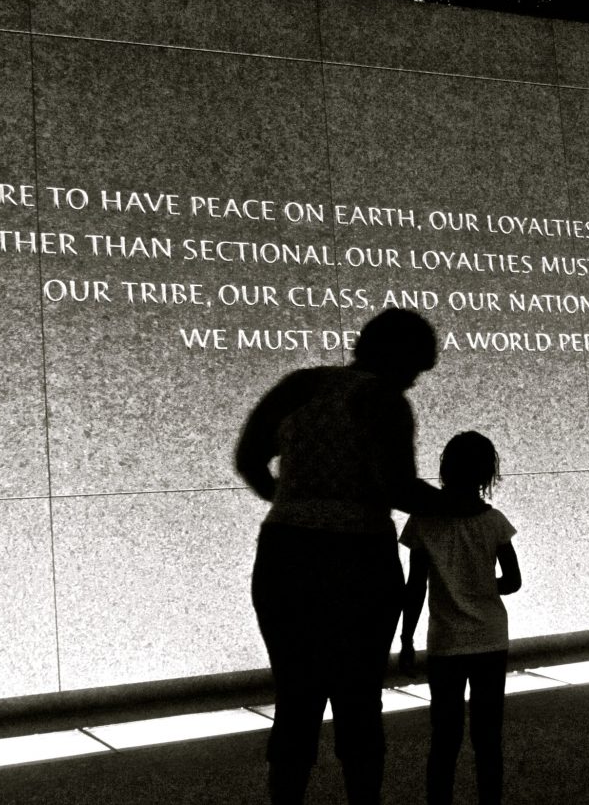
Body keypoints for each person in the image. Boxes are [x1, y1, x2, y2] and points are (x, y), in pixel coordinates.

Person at [234, 308, 443, 805]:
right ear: (399, 357)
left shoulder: (300, 385)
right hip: (358, 559)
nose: (414, 381)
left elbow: (248, 459)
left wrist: (292, 500)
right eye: (415, 368)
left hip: (285, 553)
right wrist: (458, 504)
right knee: (358, 702)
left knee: (296, 700)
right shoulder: (384, 399)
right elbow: (395, 486)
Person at [398, 431, 522, 805]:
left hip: (446, 641)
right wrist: (484, 586)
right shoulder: (495, 522)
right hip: (490, 637)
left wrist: (405, 641)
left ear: (446, 470)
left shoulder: (422, 522)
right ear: (487, 474)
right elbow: (513, 582)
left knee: (444, 738)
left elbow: (415, 588)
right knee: (488, 739)